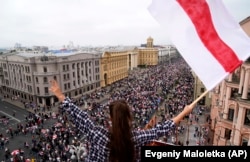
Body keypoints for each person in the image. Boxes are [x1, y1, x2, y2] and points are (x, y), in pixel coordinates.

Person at [49, 79, 194, 162]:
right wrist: (184, 112)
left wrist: (60, 95)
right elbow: (162, 129)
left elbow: (80, 116)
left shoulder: (97, 134)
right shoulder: (135, 138)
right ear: (129, 117)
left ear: (110, 118)